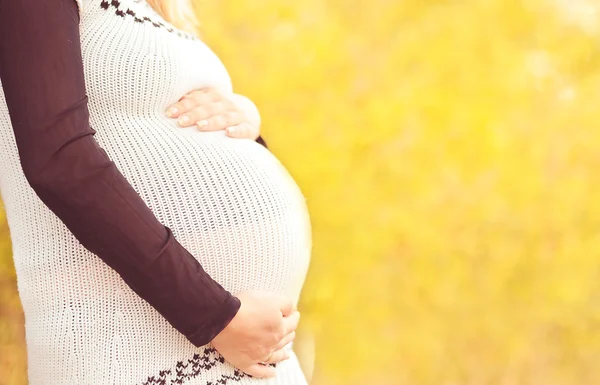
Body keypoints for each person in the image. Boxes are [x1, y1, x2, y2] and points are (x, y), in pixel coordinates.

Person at [0, 0, 312, 383]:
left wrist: (241, 121)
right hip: (133, 341)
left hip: (246, 343)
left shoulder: (155, 7)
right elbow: (59, 161)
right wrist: (215, 317)